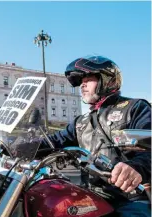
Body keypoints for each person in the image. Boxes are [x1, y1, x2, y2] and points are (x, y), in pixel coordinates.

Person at [44, 55, 151, 217]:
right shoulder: (81, 122)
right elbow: (53, 141)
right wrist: (18, 147)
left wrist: (136, 167)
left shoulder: (134, 108)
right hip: (92, 195)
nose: (82, 85)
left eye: (89, 79)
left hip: (130, 197)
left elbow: (150, 145)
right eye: (81, 81)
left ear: (108, 80)